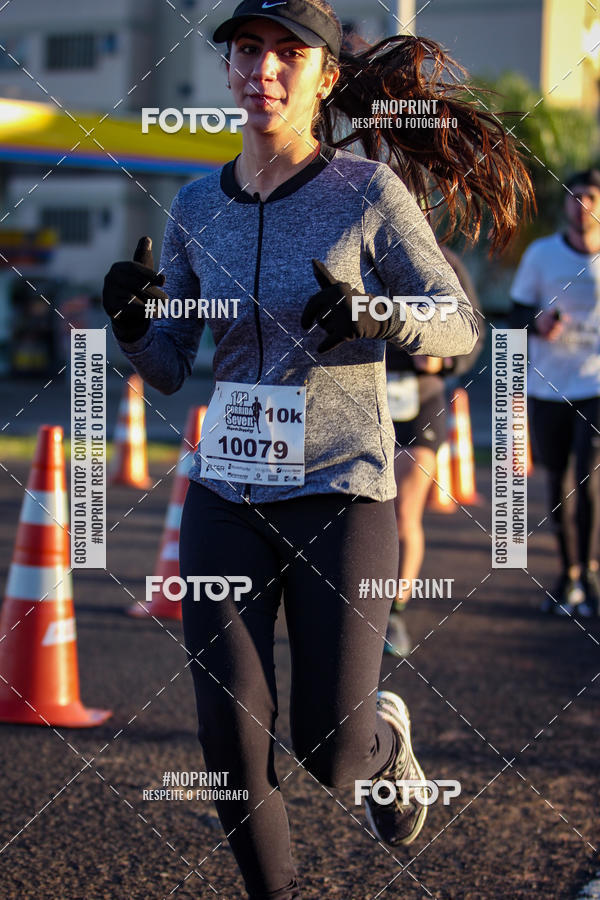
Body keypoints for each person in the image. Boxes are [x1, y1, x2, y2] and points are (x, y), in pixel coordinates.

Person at [102, 2, 533, 896]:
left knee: (330, 752)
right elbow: (171, 366)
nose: (262, 69)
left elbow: (460, 324)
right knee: (229, 744)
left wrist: (377, 314)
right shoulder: (196, 205)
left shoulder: (366, 193)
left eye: (287, 54)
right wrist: (134, 325)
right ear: (228, 69)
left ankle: (386, 741)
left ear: (325, 76)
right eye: (246, 50)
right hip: (226, 494)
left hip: (342, 491)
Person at [385, 245, 484, 656]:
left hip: (419, 402)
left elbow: (473, 331)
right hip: (358, 397)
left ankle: (394, 612)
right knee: (353, 513)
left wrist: (442, 363)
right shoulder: (353, 244)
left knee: (403, 513)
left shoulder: (442, 260)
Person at [510, 169, 600, 619]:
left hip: (595, 386)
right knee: (558, 482)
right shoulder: (542, 254)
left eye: (591, 198)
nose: (582, 206)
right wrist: (537, 321)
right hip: (548, 388)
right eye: (575, 196)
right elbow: (515, 313)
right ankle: (568, 574)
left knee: (589, 480)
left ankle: (590, 575)